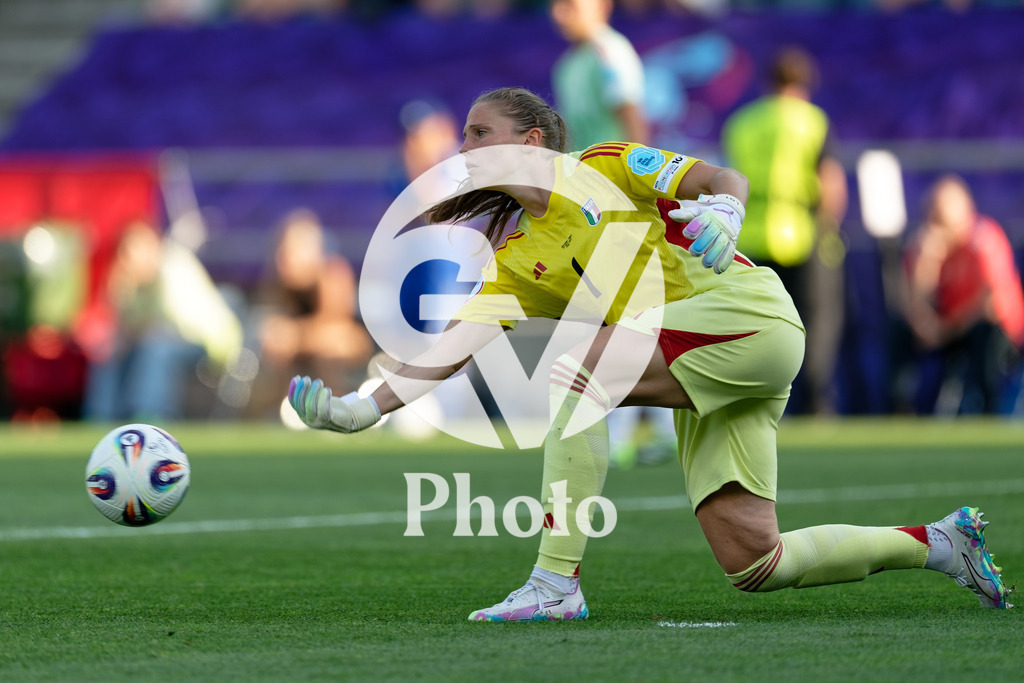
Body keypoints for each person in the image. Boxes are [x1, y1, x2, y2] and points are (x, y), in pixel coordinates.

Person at [288, 87, 1012, 620]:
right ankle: (943, 543)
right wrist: (362, 407)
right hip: (700, 363)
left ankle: (554, 583)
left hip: (748, 317)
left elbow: (720, 179)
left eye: (479, 131)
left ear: (533, 142)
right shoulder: (516, 258)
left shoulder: (603, 165)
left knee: (577, 367)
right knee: (754, 559)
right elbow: (448, 348)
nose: (464, 146)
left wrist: (726, 211)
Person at [551, 0, 674, 465]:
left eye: (570, 4)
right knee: (622, 314)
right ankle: (650, 431)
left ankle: (630, 433)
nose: (561, 12)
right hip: (590, 203)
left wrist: (644, 189)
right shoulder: (571, 64)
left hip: (618, 199)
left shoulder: (609, 54)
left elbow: (632, 123)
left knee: (625, 314)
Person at [721, 46, 848, 415]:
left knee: (757, 326)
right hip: (802, 234)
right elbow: (830, 185)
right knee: (816, 325)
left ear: (768, 82)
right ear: (804, 84)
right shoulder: (813, 121)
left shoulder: (742, 123)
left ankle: (755, 401)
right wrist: (830, 231)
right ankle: (813, 404)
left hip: (750, 237)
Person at [84, 219, 243, 421]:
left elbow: (176, 326)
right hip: (160, 343)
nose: (131, 260)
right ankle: (100, 417)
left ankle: (150, 416)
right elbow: (127, 331)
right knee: (109, 352)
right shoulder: (131, 283)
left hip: (209, 345)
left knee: (156, 347)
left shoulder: (174, 268)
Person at [900, 174, 1024, 415]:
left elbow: (992, 305)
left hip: (987, 332)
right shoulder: (925, 249)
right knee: (899, 334)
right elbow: (912, 308)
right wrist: (925, 267)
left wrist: (946, 330)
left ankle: (990, 411)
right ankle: (907, 408)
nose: (935, 228)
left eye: (941, 220)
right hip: (949, 331)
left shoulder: (983, 241)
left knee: (984, 335)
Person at [247, 208, 373, 419]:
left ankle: (338, 409)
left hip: (355, 356)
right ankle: (282, 411)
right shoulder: (278, 283)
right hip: (296, 359)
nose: (287, 258)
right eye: (284, 250)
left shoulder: (333, 274)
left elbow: (338, 332)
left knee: (332, 349)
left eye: (297, 250)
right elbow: (271, 328)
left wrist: (295, 336)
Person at [550, 0, 649, 151]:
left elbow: (631, 118)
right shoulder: (567, 65)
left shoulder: (610, 51)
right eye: (556, 5)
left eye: (569, 4)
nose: (558, 14)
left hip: (613, 171)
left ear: (601, 5)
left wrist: (636, 171)